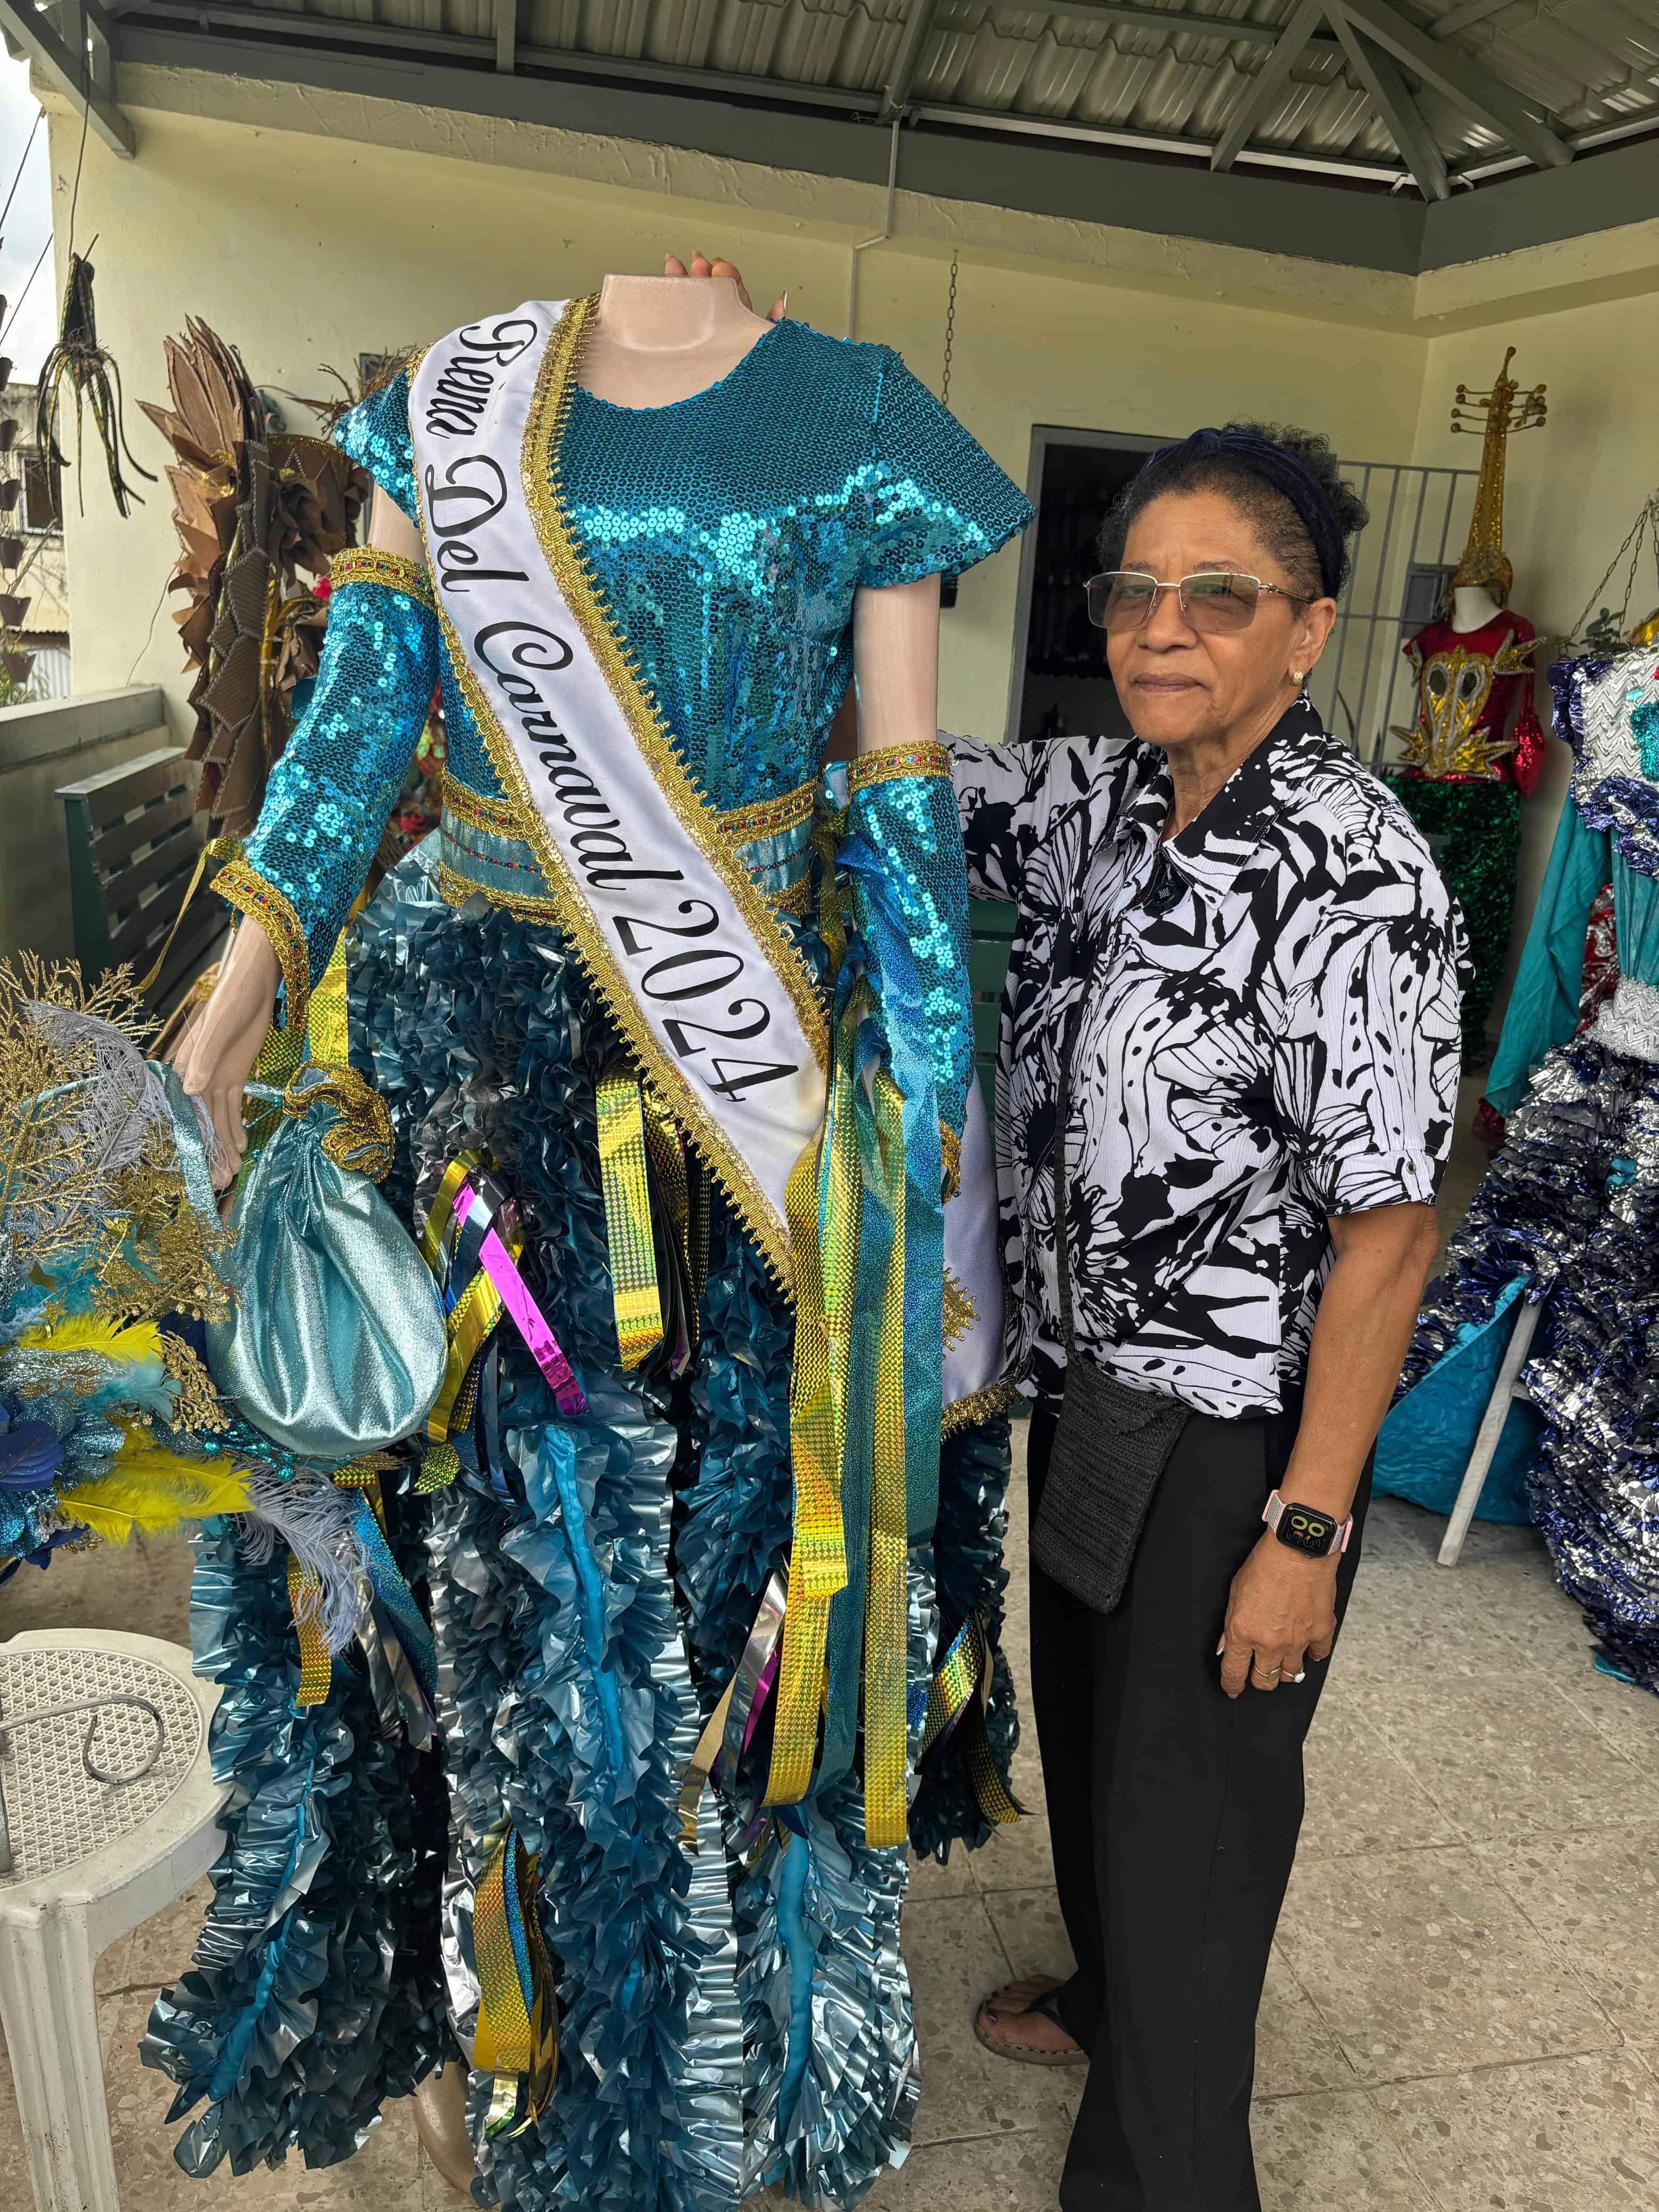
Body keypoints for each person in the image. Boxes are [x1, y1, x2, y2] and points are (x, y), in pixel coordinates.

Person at [952, 426, 1464, 2209]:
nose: (1161, 627)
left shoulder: (1359, 879)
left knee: (1196, 1825)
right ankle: (1109, 2002)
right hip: (1091, 1390)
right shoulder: (1102, 799)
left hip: (1239, 1432)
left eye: (1218, 595)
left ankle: (1168, 2176)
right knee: (1104, 1758)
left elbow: (1388, 1242)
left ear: (1307, 629)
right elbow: (886, 781)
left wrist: (1307, 1532)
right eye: (1134, 589)